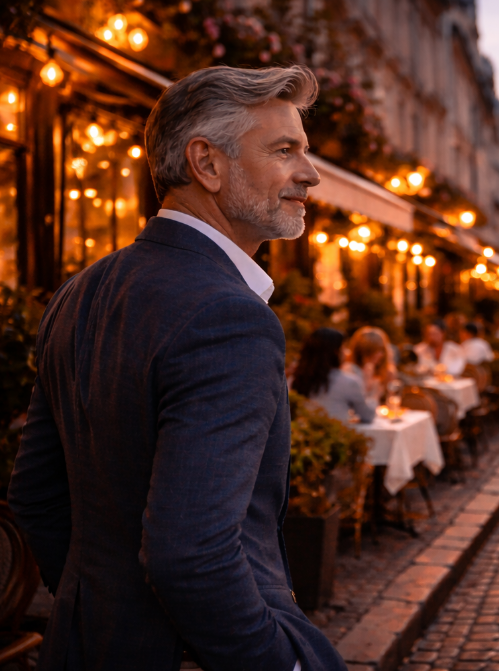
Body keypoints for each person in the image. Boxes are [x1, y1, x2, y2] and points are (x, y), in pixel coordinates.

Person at [8, 66, 344, 670]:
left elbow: (35, 496)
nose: (310, 173)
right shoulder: (228, 316)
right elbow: (191, 555)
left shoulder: (80, 291)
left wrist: (103, 607)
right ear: (207, 164)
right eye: (284, 150)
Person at [292, 328, 376, 424]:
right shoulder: (348, 382)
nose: (346, 353)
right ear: (336, 352)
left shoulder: (295, 379)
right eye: (344, 348)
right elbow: (367, 415)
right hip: (333, 433)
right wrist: (374, 394)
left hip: (301, 432)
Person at [344, 326, 396, 408]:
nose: (381, 355)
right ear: (364, 352)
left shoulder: (385, 372)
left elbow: (391, 402)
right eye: (376, 350)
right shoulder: (349, 371)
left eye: (382, 350)